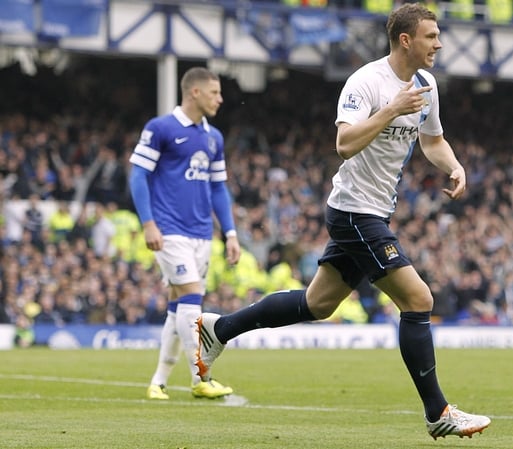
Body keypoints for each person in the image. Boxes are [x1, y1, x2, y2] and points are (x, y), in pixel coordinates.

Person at [192, 3, 491, 439]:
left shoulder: (426, 85)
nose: (439, 43)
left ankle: (219, 328)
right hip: (354, 211)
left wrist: (454, 165)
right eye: (431, 36)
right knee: (419, 300)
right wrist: (390, 110)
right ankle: (437, 412)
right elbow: (344, 143)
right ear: (406, 40)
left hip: (374, 210)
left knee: (318, 305)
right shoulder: (366, 82)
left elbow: (433, 139)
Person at [128, 67, 241, 400]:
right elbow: (138, 176)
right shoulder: (161, 128)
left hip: (202, 234)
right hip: (169, 230)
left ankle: (158, 381)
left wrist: (230, 233)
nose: (220, 99)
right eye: (214, 93)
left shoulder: (214, 137)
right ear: (195, 92)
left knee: (179, 308)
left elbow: (219, 189)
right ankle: (201, 377)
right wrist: (149, 223)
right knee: (192, 298)